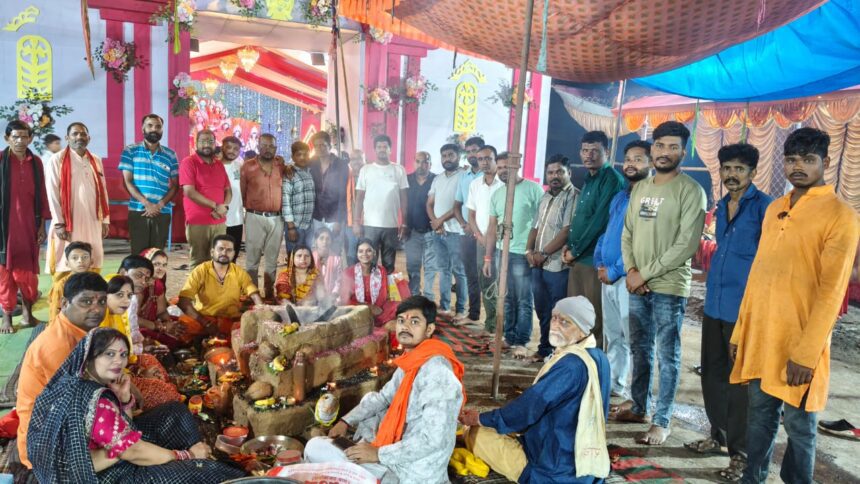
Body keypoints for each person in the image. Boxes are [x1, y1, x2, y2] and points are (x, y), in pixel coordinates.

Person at [730, 128, 859, 484]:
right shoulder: (776, 208)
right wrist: (741, 332)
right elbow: (757, 275)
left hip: (801, 344)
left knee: (800, 427)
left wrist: (805, 354)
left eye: (808, 160)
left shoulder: (841, 216)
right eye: (791, 160)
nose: (797, 167)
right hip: (762, 337)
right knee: (759, 418)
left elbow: (832, 292)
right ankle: (752, 478)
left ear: (826, 162)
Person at [27, 327, 245, 483]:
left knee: (174, 411)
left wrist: (123, 400)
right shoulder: (96, 400)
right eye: (109, 354)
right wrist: (186, 456)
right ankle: (200, 458)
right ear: (90, 358)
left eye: (122, 355)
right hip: (103, 476)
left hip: (105, 457)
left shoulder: (77, 381)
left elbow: (123, 430)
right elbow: (131, 451)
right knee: (206, 472)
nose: (118, 361)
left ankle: (195, 452)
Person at [681, 143, 772, 479]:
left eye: (739, 169)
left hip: (744, 310)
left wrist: (757, 308)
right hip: (715, 304)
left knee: (740, 384)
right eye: (727, 168)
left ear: (753, 172)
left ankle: (742, 454)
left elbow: (769, 260)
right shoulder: (721, 205)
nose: (732, 175)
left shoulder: (765, 208)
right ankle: (717, 436)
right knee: (713, 374)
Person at [306, 296, 464, 483]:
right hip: (391, 452)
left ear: (429, 329)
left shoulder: (438, 373)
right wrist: (346, 421)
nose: (405, 327)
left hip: (412, 472)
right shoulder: (412, 360)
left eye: (414, 322)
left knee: (315, 449)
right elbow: (383, 398)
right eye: (401, 321)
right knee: (316, 446)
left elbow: (433, 439)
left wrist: (378, 454)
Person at [616, 121, 706, 445]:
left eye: (672, 147)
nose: (665, 152)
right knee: (639, 349)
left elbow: (686, 244)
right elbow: (627, 233)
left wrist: (645, 274)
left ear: (684, 151)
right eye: (660, 146)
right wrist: (631, 270)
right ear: (652, 149)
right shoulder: (641, 188)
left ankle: (662, 420)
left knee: (667, 355)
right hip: (637, 283)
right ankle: (639, 407)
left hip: (668, 286)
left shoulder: (691, 191)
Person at [459, 296, 611, 482]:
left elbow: (529, 408)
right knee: (503, 425)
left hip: (553, 470)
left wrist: (480, 419)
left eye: (565, 322)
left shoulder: (571, 365)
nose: (555, 325)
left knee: (475, 433)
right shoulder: (599, 357)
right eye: (554, 318)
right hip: (585, 464)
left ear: (582, 330)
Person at [16, 272, 108, 468]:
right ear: (65, 303)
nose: (97, 309)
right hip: (45, 443)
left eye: (102, 301)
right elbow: (73, 407)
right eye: (86, 301)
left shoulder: (78, 330)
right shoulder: (58, 346)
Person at [594, 141, 651, 406]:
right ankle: (615, 385)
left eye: (638, 159)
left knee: (634, 339)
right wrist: (600, 263)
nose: (630, 164)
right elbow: (607, 233)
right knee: (613, 335)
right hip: (607, 275)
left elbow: (642, 241)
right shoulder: (620, 197)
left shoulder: (649, 199)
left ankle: (637, 397)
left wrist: (615, 270)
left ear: (651, 163)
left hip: (628, 277)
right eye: (628, 159)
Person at [562, 131, 625, 347]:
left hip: (593, 261)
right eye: (585, 150)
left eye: (594, 151)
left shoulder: (611, 180)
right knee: (575, 315)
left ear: (606, 152)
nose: (588, 155)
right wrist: (570, 247)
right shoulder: (589, 179)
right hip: (577, 258)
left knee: (594, 319)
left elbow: (599, 222)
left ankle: (595, 362)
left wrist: (575, 250)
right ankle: (576, 359)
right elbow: (580, 219)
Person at [483, 152, 544, 358]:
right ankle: (509, 336)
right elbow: (492, 227)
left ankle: (522, 340)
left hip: (522, 253)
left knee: (523, 299)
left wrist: (534, 250)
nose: (502, 171)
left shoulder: (533, 189)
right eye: (499, 168)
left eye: (506, 167)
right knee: (506, 297)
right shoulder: (497, 194)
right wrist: (488, 257)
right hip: (502, 252)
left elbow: (542, 222)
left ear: (516, 166)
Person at [101, 275, 182, 412]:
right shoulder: (101, 323)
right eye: (119, 295)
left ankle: (163, 389)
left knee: (150, 360)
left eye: (129, 295)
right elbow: (107, 368)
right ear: (105, 296)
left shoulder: (119, 316)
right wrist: (135, 377)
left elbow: (127, 350)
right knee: (167, 393)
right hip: (113, 380)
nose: (126, 300)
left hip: (126, 366)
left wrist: (141, 363)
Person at [0, 120, 50, 333]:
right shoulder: (1, 160)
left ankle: (28, 315)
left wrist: (41, 226)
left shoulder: (35, 162)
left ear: (30, 138)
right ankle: (7, 317)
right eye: (15, 137)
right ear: (7, 138)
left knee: (28, 274)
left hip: (29, 225)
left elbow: (42, 194)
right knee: (4, 273)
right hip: (4, 228)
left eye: (24, 136)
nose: (20, 140)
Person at [527, 155, 578, 360]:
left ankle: (559, 353)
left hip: (558, 266)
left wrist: (544, 253)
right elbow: (535, 226)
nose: (554, 176)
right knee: (541, 309)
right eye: (550, 172)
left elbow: (567, 231)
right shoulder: (545, 196)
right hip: (538, 264)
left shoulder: (574, 196)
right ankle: (545, 349)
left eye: (559, 172)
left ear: (569, 173)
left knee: (558, 312)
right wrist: (528, 251)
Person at [45, 122, 110, 275]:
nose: (79, 137)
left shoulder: (95, 159)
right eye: (75, 134)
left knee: (93, 253)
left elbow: (103, 190)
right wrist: (59, 223)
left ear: (89, 138)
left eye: (83, 134)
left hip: (93, 219)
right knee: (67, 256)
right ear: (67, 138)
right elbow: (52, 193)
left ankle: (91, 286)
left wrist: (105, 220)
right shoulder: (57, 160)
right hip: (68, 221)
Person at [178, 234, 263, 337]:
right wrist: (206, 323)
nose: (224, 253)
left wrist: (262, 310)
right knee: (183, 326)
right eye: (220, 249)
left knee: (251, 328)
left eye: (229, 250)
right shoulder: (200, 271)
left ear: (234, 254)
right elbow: (183, 301)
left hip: (230, 319)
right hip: (204, 318)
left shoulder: (239, 271)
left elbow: (254, 294)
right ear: (212, 252)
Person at [119, 114, 179, 255]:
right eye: (150, 125)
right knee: (138, 256)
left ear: (162, 130)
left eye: (158, 126)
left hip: (162, 212)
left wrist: (159, 205)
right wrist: (146, 203)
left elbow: (175, 185)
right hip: (138, 210)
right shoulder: (130, 151)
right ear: (143, 129)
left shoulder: (171, 154)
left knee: (157, 256)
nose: (154, 129)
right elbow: (127, 181)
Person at [241, 132, 287, 300]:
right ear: (258, 146)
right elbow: (242, 192)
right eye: (264, 146)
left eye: (271, 146)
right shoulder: (247, 167)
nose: (268, 149)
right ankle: (252, 294)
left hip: (277, 218)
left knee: (272, 258)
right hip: (254, 217)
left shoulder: (281, 166)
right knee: (252, 258)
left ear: (276, 148)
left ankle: (269, 293)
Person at [354, 134, 409, 272]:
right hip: (369, 225)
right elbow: (359, 198)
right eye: (379, 147)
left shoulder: (399, 169)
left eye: (385, 146)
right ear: (374, 149)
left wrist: (404, 223)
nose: (382, 149)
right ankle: (370, 286)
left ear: (390, 149)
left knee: (389, 264)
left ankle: (387, 286)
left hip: (391, 225)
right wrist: (356, 222)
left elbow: (404, 198)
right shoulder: (366, 169)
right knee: (368, 262)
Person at [426, 143, 468, 320]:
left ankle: (461, 309)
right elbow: (429, 204)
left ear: (458, 156)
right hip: (439, 232)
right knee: (443, 270)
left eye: (451, 155)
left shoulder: (464, 175)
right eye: (444, 156)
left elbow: (459, 204)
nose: (447, 159)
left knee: (459, 271)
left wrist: (439, 220)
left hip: (457, 232)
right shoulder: (438, 179)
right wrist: (436, 223)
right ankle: (444, 307)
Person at [467, 145, 504, 339]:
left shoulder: (505, 183)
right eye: (480, 159)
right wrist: (479, 237)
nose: (484, 162)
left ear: (495, 160)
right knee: (486, 283)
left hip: (504, 243)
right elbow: (471, 216)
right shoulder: (475, 184)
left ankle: (504, 327)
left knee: (503, 285)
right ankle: (490, 325)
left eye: (488, 158)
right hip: (481, 241)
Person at [180, 129, 230, 268]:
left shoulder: (219, 164)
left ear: (215, 144)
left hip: (219, 220)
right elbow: (189, 191)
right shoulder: (188, 162)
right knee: (199, 262)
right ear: (196, 143)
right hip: (198, 221)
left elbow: (228, 190)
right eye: (203, 141)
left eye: (210, 141)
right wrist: (216, 206)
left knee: (220, 260)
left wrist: (224, 206)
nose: (207, 144)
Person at [454, 136, 486, 323]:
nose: (472, 154)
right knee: (471, 275)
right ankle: (473, 315)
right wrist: (463, 224)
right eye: (469, 151)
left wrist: (476, 228)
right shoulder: (463, 177)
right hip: (466, 233)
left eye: (475, 150)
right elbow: (457, 205)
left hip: (485, 234)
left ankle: (492, 321)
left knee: (487, 276)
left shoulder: (489, 175)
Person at [339, 238, 399, 326]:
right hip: (357, 310)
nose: (364, 254)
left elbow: (383, 295)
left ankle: (377, 323)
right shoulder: (348, 272)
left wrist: (376, 309)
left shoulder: (381, 270)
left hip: (378, 310)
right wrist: (367, 307)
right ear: (357, 254)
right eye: (361, 251)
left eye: (368, 251)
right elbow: (345, 299)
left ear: (374, 253)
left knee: (396, 306)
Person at [309, 131, 351, 255]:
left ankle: (334, 268)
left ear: (330, 145)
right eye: (316, 145)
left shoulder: (341, 165)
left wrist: (339, 219)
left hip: (334, 215)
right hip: (317, 215)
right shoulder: (312, 163)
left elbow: (343, 194)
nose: (319, 148)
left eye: (323, 145)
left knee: (334, 249)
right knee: (317, 249)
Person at [404, 151, 435, 296]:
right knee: (412, 266)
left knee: (430, 267)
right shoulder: (407, 180)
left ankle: (428, 297)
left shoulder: (436, 180)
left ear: (430, 164)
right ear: (414, 162)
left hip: (432, 232)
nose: (421, 165)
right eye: (418, 161)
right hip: (412, 232)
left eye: (425, 161)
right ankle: (415, 294)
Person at [47, 241, 93, 323]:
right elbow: (54, 314)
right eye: (75, 258)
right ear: (67, 263)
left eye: (85, 257)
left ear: (91, 261)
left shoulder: (96, 281)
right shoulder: (61, 286)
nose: (80, 261)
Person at [283, 140, 316, 254]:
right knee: (294, 257)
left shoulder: (310, 172)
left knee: (307, 257)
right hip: (295, 226)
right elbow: (285, 202)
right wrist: (291, 227)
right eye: (299, 155)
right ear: (293, 157)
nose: (302, 157)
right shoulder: (289, 174)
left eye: (305, 154)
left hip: (309, 225)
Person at [221, 136, 244, 260]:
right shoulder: (215, 166)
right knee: (219, 257)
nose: (232, 151)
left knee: (233, 256)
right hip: (220, 220)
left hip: (237, 219)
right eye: (229, 147)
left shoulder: (239, 166)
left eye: (236, 149)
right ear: (222, 147)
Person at [345, 149, 366, 266]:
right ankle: (351, 277)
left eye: (359, 158)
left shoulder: (370, 175)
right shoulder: (346, 176)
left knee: (366, 254)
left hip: (368, 222)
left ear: (364, 160)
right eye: (353, 159)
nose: (356, 162)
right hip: (350, 222)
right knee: (352, 254)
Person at [313, 226, 344, 297]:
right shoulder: (310, 258)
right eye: (321, 238)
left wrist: (333, 295)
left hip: (331, 296)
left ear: (331, 241)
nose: (325, 242)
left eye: (328, 239)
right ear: (316, 241)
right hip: (313, 296)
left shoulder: (337, 259)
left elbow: (339, 280)